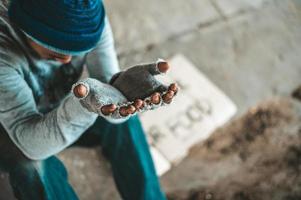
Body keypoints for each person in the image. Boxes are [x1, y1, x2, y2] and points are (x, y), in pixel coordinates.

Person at [0, 0, 176, 199]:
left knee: (123, 108)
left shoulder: (89, 19)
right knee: (32, 167)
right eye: (55, 52)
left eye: (75, 51)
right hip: (10, 130)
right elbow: (30, 142)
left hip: (53, 106)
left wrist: (120, 90)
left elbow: (108, 89)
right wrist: (83, 106)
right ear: (25, 27)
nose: (67, 59)